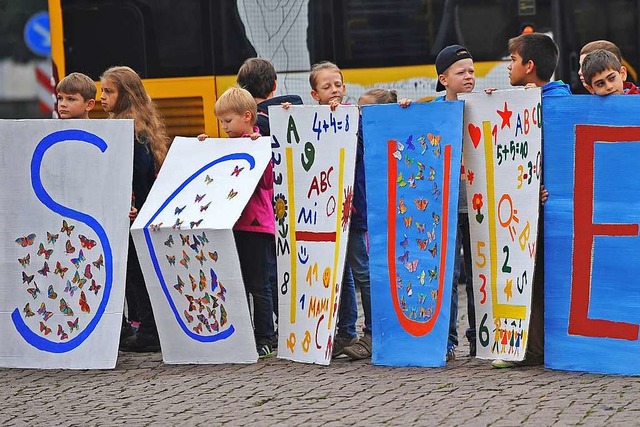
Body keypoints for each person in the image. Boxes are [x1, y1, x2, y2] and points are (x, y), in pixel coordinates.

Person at [491, 33, 571, 369]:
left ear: (530, 66)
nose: (508, 65)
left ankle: (533, 349)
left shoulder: (552, 104)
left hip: (544, 209)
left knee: (537, 278)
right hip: (526, 208)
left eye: (512, 59)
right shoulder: (526, 100)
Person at [100, 66, 171, 352]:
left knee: (140, 276)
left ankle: (150, 333)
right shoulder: (135, 126)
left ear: (126, 95)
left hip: (136, 213)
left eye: (108, 91)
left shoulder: (131, 132)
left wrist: (133, 203)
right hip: (138, 211)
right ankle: (145, 329)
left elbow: (139, 172)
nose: (102, 97)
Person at [236, 57, 303, 336]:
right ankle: (291, 324)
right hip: (284, 206)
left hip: (259, 213)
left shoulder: (251, 128)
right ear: (275, 85)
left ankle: (274, 328)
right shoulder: (285, 115)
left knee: (265, 276)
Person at [209, 86, 276, 358]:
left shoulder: (260, 144)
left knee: (259, 284)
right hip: (232, 225)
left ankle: (265, 337)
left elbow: (270, 182)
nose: (224, 127)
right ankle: (242, 335)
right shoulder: (227, 144)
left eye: (228, 121)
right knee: (235, 283)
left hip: (256, 226)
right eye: (221, 122)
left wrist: (255, 154)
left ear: (247, 117)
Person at [305, 61, 361, 357]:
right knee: (336, 271)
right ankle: (340, 330)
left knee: (353, 269)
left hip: (351, 208)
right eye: (327, 87)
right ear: (315, 95)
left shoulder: (354, 116)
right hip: (323, 207)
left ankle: (350, 330)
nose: (334, 90)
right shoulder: (312, 119)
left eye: (338, 84)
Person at [340, 88, 398, 361]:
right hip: (349, 212)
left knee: (365, 273)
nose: (358, 117)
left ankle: (374, 333)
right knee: (357, 273)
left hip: (361, 213)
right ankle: (352, 332)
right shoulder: (354, 132)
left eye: (364, 112)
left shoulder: (369, 135)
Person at [431, 45, 477, 362]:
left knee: (478, 277)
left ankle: (479, 339)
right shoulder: (434, 110)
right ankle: (447, 340)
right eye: (461, 72)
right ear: (444, 79)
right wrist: (406, 109)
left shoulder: (485, 105)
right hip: (446, 205)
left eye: (472, 70)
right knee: (447, 276)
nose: (469, 76)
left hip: (478, 204)